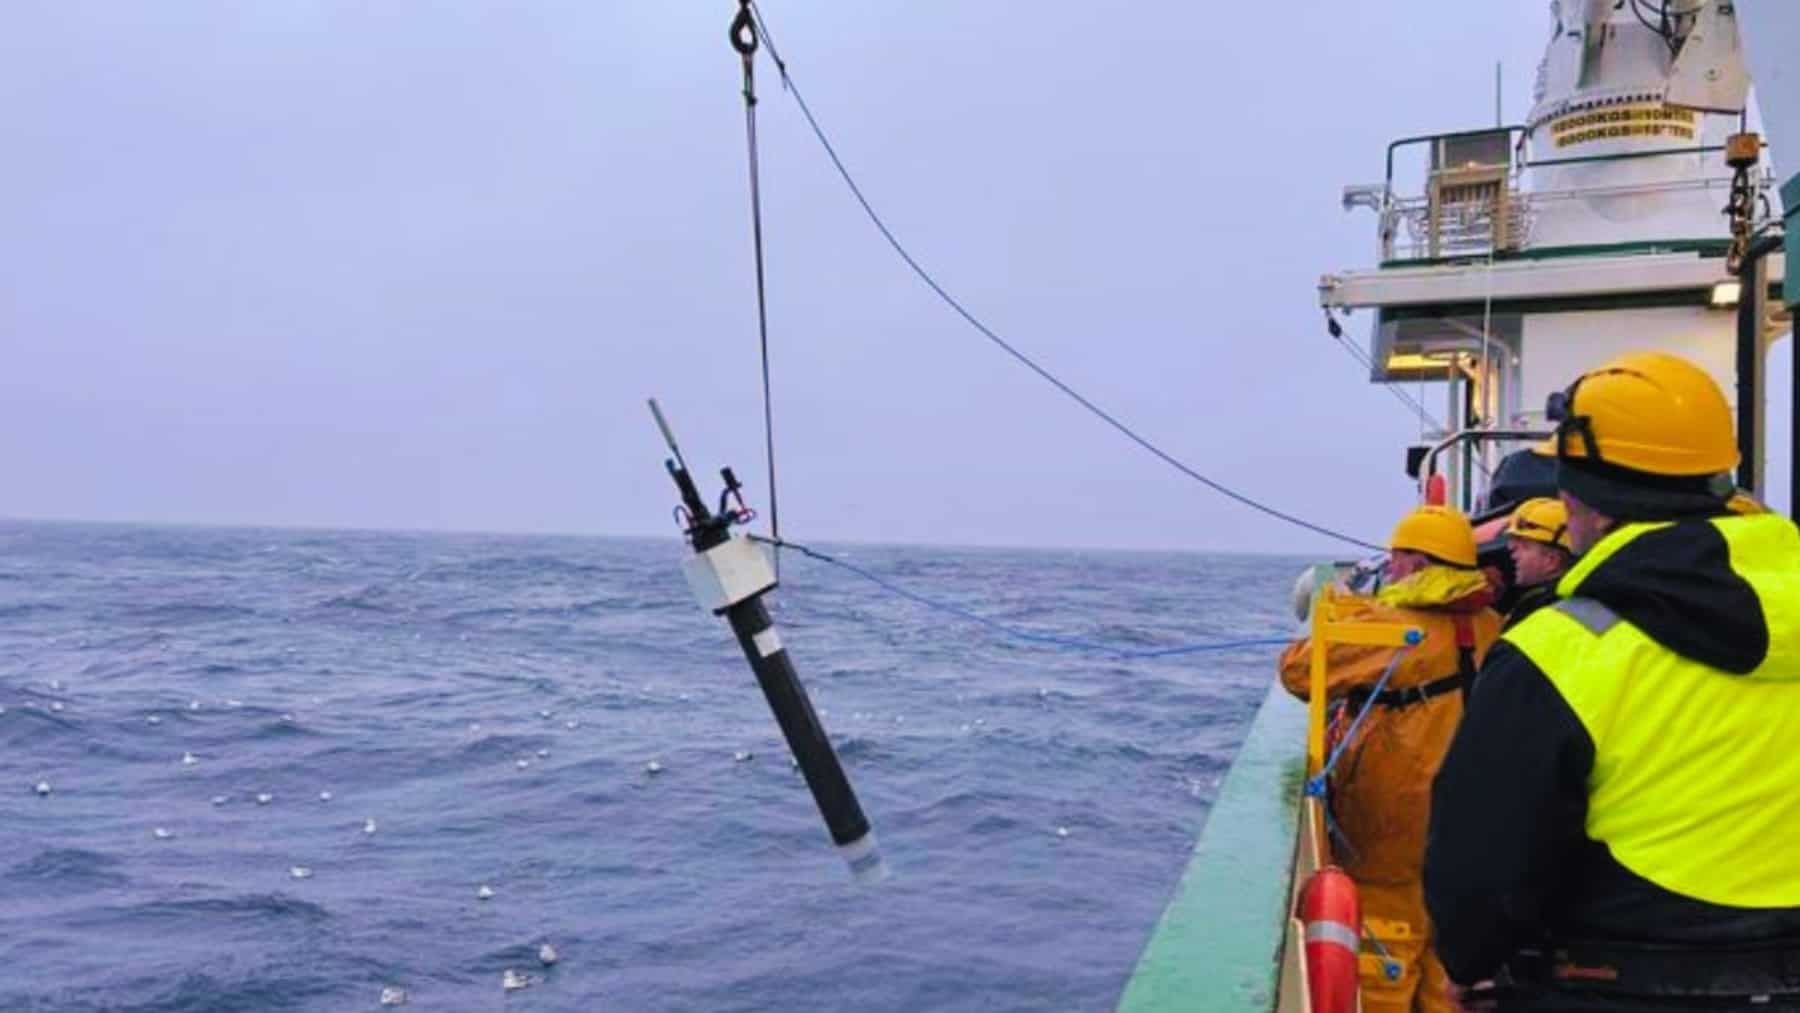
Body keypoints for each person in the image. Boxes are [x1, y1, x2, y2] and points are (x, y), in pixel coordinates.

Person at [1424, 351, 1800, 1009]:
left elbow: (1479, 877)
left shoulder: (1557, 652)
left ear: (1578, 497)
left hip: (1608, 983)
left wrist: (1468, 959)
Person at [1280, 504, 1502, 1013]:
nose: (1393, 569)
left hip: (1391, 831)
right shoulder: (1493, 625)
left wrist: (1345, 613)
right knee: (1448, 972)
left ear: (1418, 564)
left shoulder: (1391, 627)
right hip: (1469, 832)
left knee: (1385, 962)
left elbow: (1296, 672)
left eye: (1399, 559)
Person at [1500, 498, 1573, 631]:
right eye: (1512, 540)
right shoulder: (1535, 601)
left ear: (1551, 561)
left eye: (1524, 544)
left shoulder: (1542, 612)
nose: (1511, 547)